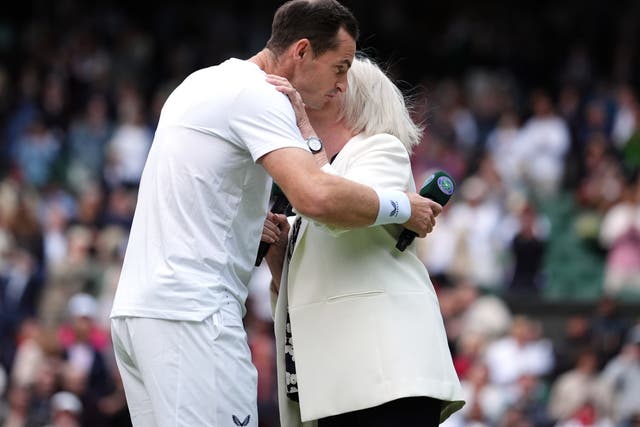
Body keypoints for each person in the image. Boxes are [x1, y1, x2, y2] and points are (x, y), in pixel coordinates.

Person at [108, 1, 442, 426]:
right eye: (339, 67)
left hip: (141, 313)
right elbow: (315, 196)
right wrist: (404, 206)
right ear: (301, 52)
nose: (341, 83)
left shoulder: (201, 82)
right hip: (195, 316)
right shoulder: (263, 96)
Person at [263, 56, 464, 427]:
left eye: (335, 79)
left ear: (348, 97)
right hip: (337, 381)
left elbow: (334, 208)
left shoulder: (380, 148)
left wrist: (304, 126)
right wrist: (279, 256)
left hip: (385, 377)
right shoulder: (317, 177)